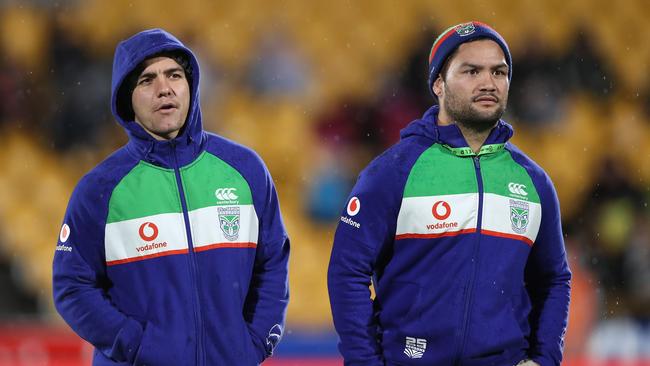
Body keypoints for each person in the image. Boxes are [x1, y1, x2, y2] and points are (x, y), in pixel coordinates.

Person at [328, 21, 571, 366]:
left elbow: (554, 278)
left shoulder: (534, 182)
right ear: (438, 84)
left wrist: (545, 358)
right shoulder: (393, 171)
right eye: (472, 71)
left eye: (499, 72)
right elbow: (347, 271)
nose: (489, 83)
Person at [52, 28, 290, 365]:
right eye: (147, 80)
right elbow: (71, 286)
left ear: (189, 86)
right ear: (127, 99)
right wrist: (135, 345)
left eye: (174, 75)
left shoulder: (245, 169)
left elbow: (272, 264)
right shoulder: (99, 189)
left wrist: (254, 343)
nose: (164, 88)